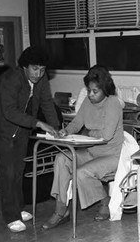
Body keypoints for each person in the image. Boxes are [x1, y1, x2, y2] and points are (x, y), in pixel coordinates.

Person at [42, 65, 124, 229]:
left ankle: (105, 202)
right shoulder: (87, 101)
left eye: (95, 91)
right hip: (92, 152)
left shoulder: (113, 103)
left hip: (112, 156)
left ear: (105, 89)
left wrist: (88, 134)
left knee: (81, 172)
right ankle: (61, 209)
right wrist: (66, 131)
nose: (91, 95)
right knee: (61, 158)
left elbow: (106, 135)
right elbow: (77, 123)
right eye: (89, 90)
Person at [0, 46, 59, 233]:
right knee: (8, 173)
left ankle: (18, 208)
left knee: (19, 170)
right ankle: (11, 216)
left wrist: (56, 128)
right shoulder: (9, 79)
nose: (39, 73)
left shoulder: (41, 79)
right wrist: (39, 123)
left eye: (42, 69)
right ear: (25, 67)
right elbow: (9, 111)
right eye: (35, 69)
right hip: (4, 128)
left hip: (23, 128)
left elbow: (47, 103)